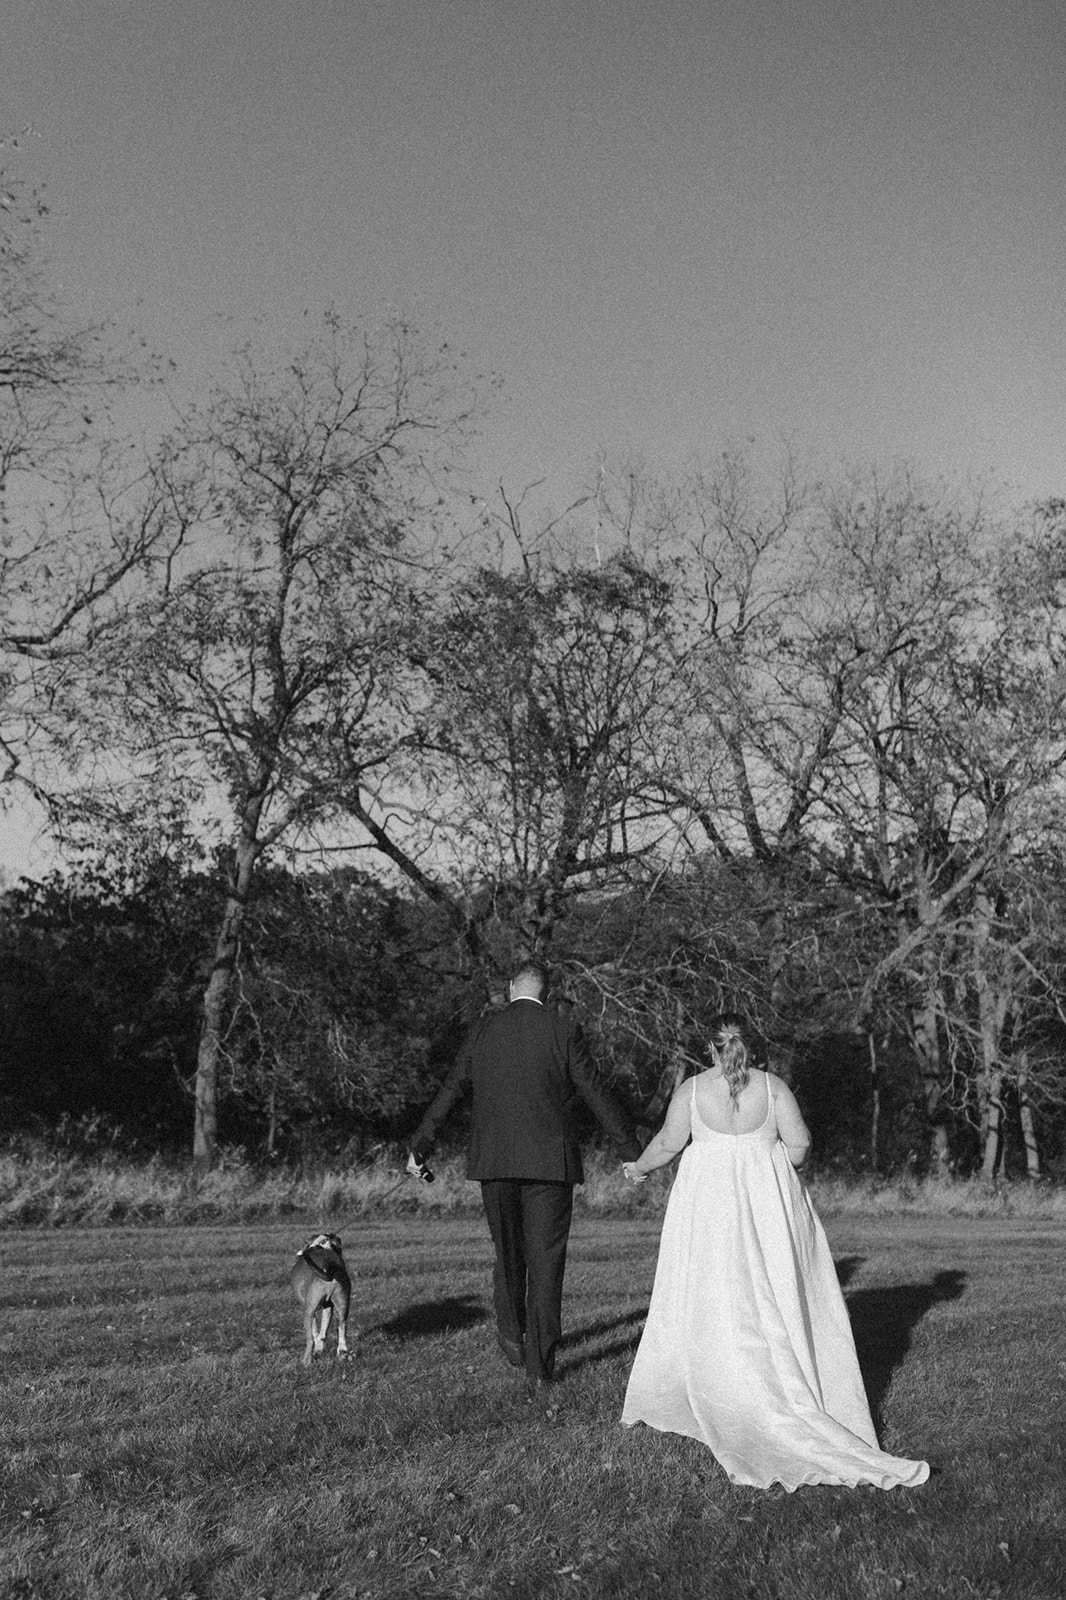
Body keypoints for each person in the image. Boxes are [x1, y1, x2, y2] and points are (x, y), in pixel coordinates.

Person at [620, 1015, 929, 1491]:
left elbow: (667, 1143)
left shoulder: (692, 1090)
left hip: (710, 1210)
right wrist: (773, 1163)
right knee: (773, 1285)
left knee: (714, 1287)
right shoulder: (774, 1087)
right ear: (753, 1047)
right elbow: (801, 1144)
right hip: (767, 1206)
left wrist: (638, 1170)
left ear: (711, 1047)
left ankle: (718, 1378)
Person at [408, 962, 640, 1395]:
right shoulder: (563, 1030)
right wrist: (630, 1152)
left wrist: (421, 1145)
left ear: (511, 989)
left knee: (508, 1253)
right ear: (544, 992)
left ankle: (513, 1335)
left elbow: (452, 1089)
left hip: (495, 1163)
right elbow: (595, 1091)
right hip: (550, 1166)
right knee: (546, 1262)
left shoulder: (483, 1030)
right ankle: (540, 1364)